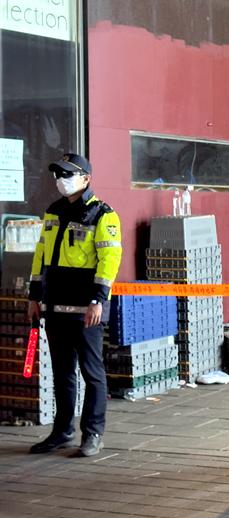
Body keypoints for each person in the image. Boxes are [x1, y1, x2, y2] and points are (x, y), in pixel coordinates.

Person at [28, 153, 122, 457]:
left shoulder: (102, 215)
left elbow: (109, 262)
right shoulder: (53, 212)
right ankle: (62, 431)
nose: (61, 180)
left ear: (86, 179)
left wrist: (98, 300)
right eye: (58, 174)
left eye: (68, 174)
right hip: (55, 305)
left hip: (87, 310)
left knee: (92, 373)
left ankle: (93, 433)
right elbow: (41, 256)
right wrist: (34, 296)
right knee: (62, 373)